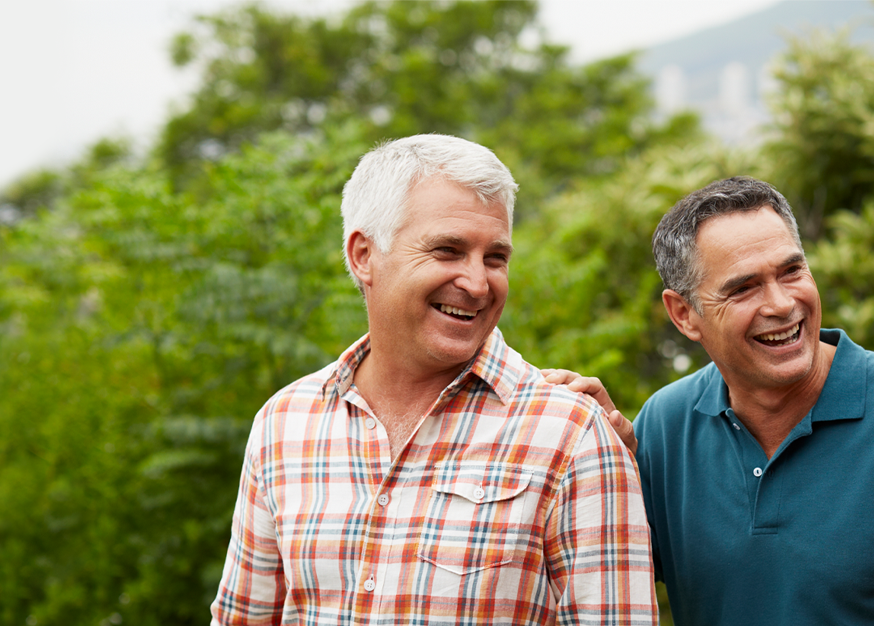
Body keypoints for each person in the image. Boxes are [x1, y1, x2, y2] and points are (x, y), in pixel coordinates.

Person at [208, 134, 655, 625]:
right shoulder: (285, 423)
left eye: (495, 258)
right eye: (448, 250)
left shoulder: (572, 433)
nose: (478, 283)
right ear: (363, 255)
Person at [550, 176, 874, 625]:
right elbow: (608, 579)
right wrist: (604, 463)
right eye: (743, 288)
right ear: (683, 315)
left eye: (791, 271)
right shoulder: (664, 425)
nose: (781, 304)